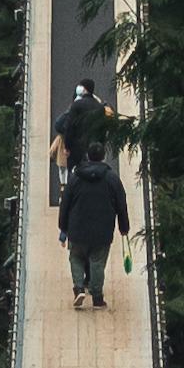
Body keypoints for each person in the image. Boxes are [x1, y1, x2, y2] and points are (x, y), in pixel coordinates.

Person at [55, 128, 129, 309]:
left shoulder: (75, 178)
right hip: (102, 231)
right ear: (103, 157)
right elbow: (121, 204)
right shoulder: (112, 178)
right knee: (97, 262)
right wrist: (124, 227)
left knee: (76, 258)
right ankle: (97, 297)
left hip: (77, 227)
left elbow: (65, 203)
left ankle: (79, 288)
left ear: (88, 156)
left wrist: (63, 226)